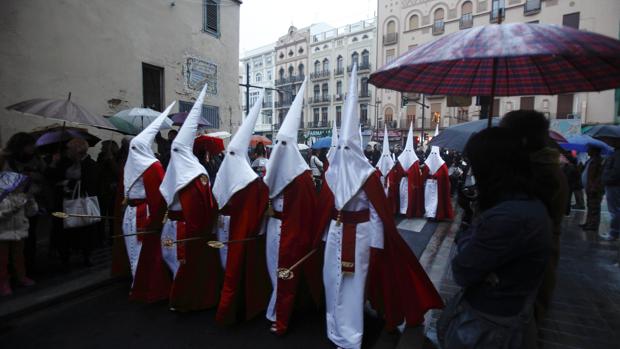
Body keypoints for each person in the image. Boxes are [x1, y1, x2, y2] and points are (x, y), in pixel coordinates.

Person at [316, 65, 443, 349]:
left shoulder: (369, 176)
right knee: (331, 280)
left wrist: (377, 244)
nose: (343, 155)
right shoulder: (331, 173)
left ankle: (350, 336)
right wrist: (324, 234)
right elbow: (326, 207)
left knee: (351, 284)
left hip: (359, 235)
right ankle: (334, 326)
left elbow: (377, 213)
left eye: (349, 149)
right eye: (341, 150)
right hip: (335, 233)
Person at [439, 127, 551, 349]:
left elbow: (462, 269)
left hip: (489, 326)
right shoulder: (526, 205)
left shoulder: (507, 217)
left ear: (492, 168)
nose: (473, 171)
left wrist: (470, 231)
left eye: (476, 164)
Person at [263, 78, 322, 335]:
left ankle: (281, 315)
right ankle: (275, 308)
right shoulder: (272, 170)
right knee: (272, 270)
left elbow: (308, 210)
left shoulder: (301, 175)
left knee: (285, 273)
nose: (278, 149)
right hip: (273, 227)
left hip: (291, 232)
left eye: (283, 144)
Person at [499, 109, 569, 323]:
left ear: (521, 140)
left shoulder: (537, 174)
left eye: (505, 136)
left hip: (521, 278)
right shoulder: (545, 167)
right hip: (536, 267)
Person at [159, 85, 221, 312]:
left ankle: (183, 298)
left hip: (187, 230)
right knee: (170, 259)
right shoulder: (179, 170)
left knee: (187, 265)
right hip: (171, 227)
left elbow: (202, 207)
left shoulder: (198, 174)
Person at [212, 91, 271, 325]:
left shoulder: (250, 178)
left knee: (238, 268)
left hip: (239, 231)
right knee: (226, 266)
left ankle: (235, 305)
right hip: (227, 228)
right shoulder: (240, 175)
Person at [122, 103, 174, 303]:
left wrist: (157, 218)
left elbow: (159, 196)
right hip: (131, 213)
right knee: (133, 251)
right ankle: (138, 284)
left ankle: (145, 287)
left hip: (145, 213)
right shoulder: (131, 164)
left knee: (144, 252)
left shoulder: (153, 167)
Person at [47, 138, 100, 267]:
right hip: (64, 202)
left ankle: (86, 255)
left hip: (82, 203)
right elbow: (51, 177)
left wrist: (68, 183)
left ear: (78, 150)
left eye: (70, 149)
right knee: (64, 231)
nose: (67, 151)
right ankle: (65, 257)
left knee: (84, 229)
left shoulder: (90, 164)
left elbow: (90, 183)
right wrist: (53, 163)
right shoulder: (64, 162)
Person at [2, 132, 47, 273]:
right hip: (12, 204)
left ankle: (28, 266)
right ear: (20, 146)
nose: (33, 147)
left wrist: (34, 175)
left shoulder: (37, 159)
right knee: (10, 238)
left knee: (29, 236)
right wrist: (20, 178)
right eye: (29, 145)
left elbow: (45, 177)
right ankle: (10, 270)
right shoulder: (7, 160)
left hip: (30, 202)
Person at [0, 171, 38, 296]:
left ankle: (21, 277)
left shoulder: (23, 196)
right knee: (3, 259)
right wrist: (11, 209)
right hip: (3, 233)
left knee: (19, 257)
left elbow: (31, 213)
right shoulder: (3, 198)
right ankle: (3, 282)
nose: (22, 186)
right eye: (19, 184)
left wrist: (32, 203)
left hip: (19, 232)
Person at [389, 122, 424, 218]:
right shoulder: (401, 159)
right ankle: (402, 210)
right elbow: (397, 171)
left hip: (411, 182)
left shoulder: (415, 161)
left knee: (410, 197)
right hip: (403, 181)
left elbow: (416, 173)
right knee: (403, 196)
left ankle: (408, 210)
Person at [422, 146, 454, 221]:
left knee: (435, 200)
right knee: (428, 199)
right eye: (432, 153)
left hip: (437, 185)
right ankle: (428, 213)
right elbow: (424, 173)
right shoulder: (428, 163)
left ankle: (434, 214)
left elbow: (445, 176)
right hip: (429, 184)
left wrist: (437, 175)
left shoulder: (442, 164)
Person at [579, 146, 604, 231]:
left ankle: (593, 225)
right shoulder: (590, 160)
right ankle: (589, 222)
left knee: (594, 206)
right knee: (590, 205)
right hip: (589, 187)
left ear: (594, 150)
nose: (587, 150)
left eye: (589, 149)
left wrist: (594, 186)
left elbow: (600, 176)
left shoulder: (598, 161)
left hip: (594, 188)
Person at [602, 144, 620, 241]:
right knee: (615, 209)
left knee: (615, 210)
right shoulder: (615, 153)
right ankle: (614, 232)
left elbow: (616, 172)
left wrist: (606, 178)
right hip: (613, 184)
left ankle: (614, 233)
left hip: (613, 185)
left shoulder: (617, 154)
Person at [375, 126, 395, 196]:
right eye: (384, 156)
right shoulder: (380, 162)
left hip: (389, 182)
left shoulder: (391, 164)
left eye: (387, 156)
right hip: (382, 180)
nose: (386, 157)